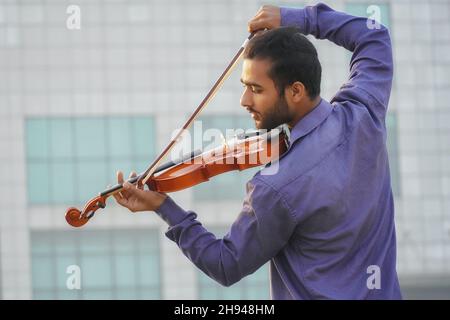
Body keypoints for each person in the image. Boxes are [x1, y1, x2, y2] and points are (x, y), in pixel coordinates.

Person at [113, 3, 402, 299]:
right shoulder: (364, 113)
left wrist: (165, 207)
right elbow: (373, 36)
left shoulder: (276, 187)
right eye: (244, 86)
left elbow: (225, 264)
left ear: (296, 91)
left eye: (256, 89)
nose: (244, 100)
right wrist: (298, 19)